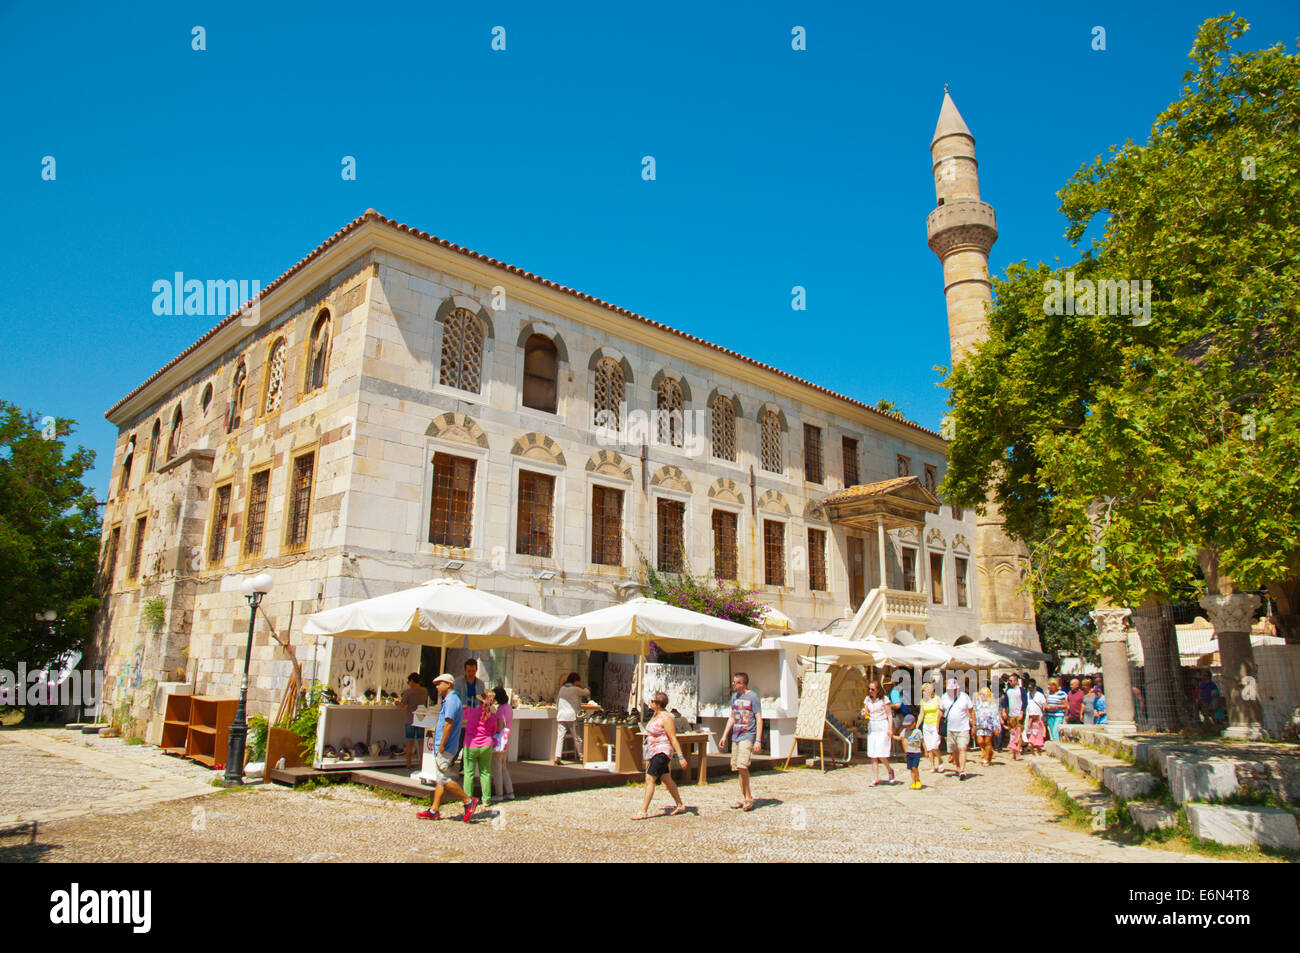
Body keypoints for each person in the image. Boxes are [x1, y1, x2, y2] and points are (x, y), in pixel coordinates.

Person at [416, 673, 474, 822]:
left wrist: (441, 744)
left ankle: (468, 801)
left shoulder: (452, 701)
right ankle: (434, 810)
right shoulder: (450, 700)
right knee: (440, 778)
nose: (437, 687)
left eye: (439, 683)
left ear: (448, 684)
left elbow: (449, 723)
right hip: (445, 745)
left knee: (443, 777)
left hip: (447, 746)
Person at [632, 691, 689, 819]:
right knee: (666, 778)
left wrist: (680, 756)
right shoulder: (655, 715)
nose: (649, 703)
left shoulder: (666, 717)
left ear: (658, 704)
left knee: (650, 778)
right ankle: (680, 804)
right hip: (653, 750)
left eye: (652, 701)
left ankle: (643, 811)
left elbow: (673, 737)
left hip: (662, 751)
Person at [719, 671, 762, 811]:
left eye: (735, 682)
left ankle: (749, 797)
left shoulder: (753, 697)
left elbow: (759, 718)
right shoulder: (734, 697)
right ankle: (743, 797)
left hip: (747, 734)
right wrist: (724, 735)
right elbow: (732, 717)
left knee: (743, 765)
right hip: (736, 735)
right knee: (738, 767)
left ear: (742, 683)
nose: (733, 684)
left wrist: (758, 740)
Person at [461, 687, 499, 813]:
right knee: (485, 772)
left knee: (469, 773)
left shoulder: (471, 712)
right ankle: (486, 799)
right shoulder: (492, 716)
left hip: (471, 744)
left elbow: (461, 715)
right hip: (486, 744)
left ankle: (467, 799)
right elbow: (494, 730)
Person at [862, 680, 895, 785]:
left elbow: (889, 714)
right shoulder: (867, 699)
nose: (870, 691)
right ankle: (876, 778)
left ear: (878, 690)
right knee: (873, 753)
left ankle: (889, 769)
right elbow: (865, 710)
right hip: (873, 726)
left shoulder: (884, 700)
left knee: (881, 753)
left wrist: (890, 729)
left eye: (873, 689)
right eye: (869, 689)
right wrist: (864, 712)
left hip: (882, 726)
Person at [939, 677, 973, 779]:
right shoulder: (944, 697)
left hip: (963, 727)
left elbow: (971, 709)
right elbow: (940, 711)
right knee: (954, 750)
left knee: (962, 748)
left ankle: (962, 770)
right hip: (950, 728)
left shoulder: (964, 697)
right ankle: (958, 768)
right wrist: (938, 725)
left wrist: (972, 723)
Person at [554, 672, 590, 765]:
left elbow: (557, 702)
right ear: (576, 681)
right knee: (577, 738)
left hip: (561, 715)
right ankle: (581, 757)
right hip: (571, 716)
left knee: (560, 737)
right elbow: (587, 692)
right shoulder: (575, 689)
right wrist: (582, 686)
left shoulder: (562, 688)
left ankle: (557, 757)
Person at [400, 672, 428, 770]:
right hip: (421, 719)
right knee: (421, 743)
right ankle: (421, 765)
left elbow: (402, 705)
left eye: (409, 681)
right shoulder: (424, 691)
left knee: (409, 743)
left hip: (410, 719)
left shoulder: (408, 692)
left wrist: (396, 703)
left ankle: (408, 765)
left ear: (411, 681)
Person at [491, 685, 515, 801]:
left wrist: (493, 733)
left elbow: (499, 727)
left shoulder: (500, 709)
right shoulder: (509, 707)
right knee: (504, 767)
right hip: (506, 739)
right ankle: (510, 791)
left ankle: (499, 793)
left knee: (496, 768)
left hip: (499, 740)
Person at [894, 714, 924, 789]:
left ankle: (918, 780)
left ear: (914, 723)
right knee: (911, 769)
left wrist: (926, 751)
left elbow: (922, 741)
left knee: (914, 767)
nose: (908, 727)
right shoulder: (905, 731)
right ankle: (913, 782)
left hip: (916, 752)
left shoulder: (918, 732)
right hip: (908, 752)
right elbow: (900, 738)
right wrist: (892, 736)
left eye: (909, 725)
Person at [918, 681, 942, 773]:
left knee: (934, 745)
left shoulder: (937, 699)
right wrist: (917, 726)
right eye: (923, 691)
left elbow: (940, 712)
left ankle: (940, 759)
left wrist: (938, 724)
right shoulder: (923, 701)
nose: (924, 692)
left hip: (935, 724)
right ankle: (932, 765)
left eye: (925, 690)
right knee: (929, 747)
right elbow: (921, 714)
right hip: (926, 725)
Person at [973, 686, 999, 767]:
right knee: (980, 741)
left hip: (988, 725)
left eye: (983, 694)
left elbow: (995, 716)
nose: (982, 696)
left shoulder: (992, 704)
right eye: (981, 694)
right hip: (980, 725)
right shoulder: (978, 704)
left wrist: (996, 727)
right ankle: (989, 751)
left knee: (987, 741)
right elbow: (974, 713)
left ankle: (987, 758)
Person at [1024, 681, 1047, 754]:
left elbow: (1044, 704)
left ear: (1035, 687)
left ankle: (1037, 744)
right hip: (1029, 714)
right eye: (1029, 689)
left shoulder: (1040, 695)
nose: (1031, 690)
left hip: (1037, 715)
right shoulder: (1027, 695)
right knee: (1028, 729)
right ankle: (1030, 743)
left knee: (1037, 730)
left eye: (1032, 689)